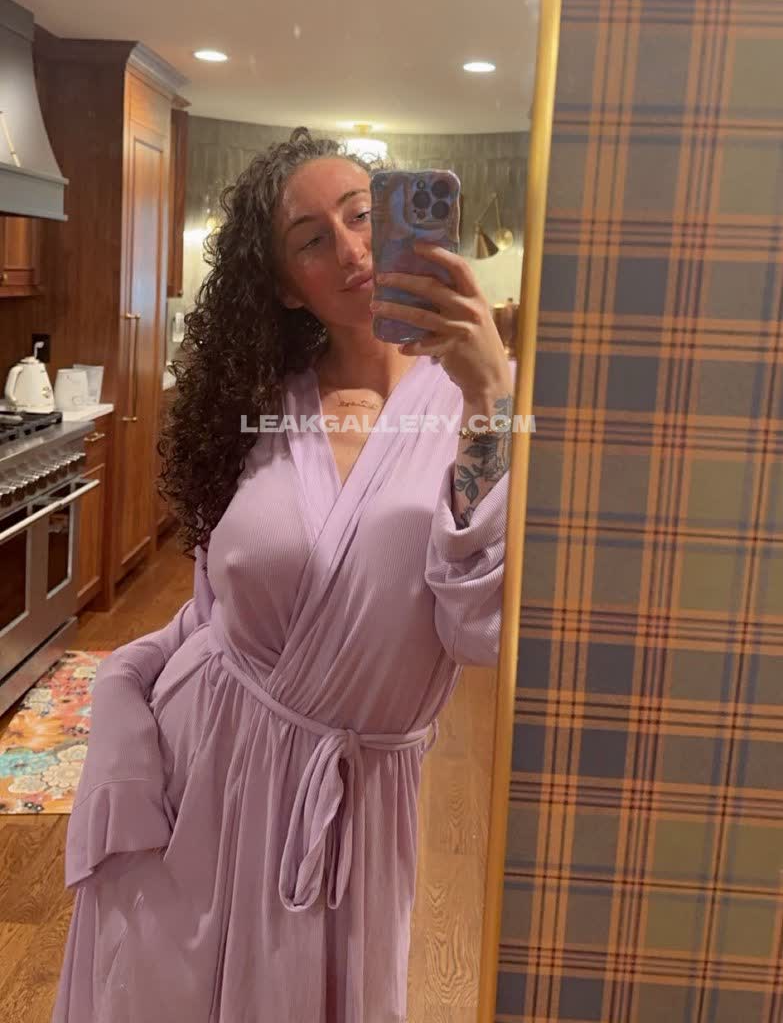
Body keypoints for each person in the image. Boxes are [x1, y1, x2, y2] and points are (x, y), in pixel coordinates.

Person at [52, 127, 515, 1023]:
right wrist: (130, 690)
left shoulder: (485, 400)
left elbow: (477, 629)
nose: (350, 251)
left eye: (363, 217)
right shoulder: (262, 404)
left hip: (352, 804)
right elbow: (216, 600)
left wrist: (489, 396)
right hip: (197, 775)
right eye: (311, 239)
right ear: (283, 285)